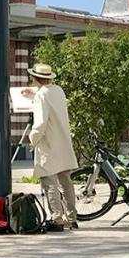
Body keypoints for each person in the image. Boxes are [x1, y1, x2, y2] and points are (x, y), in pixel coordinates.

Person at [26, 62, 79, 231]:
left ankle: (57, 218)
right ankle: (72, 217)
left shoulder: (41, 95)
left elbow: (41, 122)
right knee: (66, 181)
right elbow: (48, 95)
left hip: (48, 143)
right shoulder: (58, 90)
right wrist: (33, 95)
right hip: (63, 141)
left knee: (49, 182)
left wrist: (32, 138)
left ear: (35, 78)